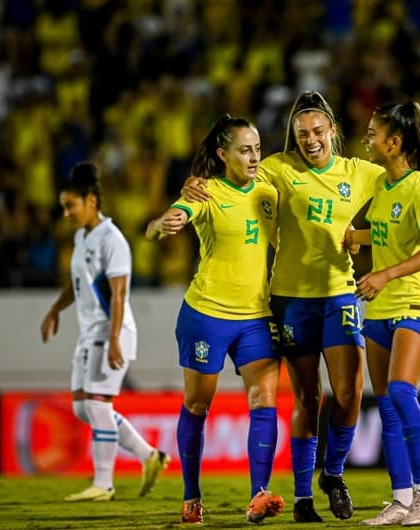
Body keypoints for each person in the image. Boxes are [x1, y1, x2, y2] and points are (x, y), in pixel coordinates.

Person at [182, 91, 420, 522]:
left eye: (317, 131)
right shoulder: (277, 168)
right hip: (291, 299)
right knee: (308, 398)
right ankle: (302, 499)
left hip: (340, 295)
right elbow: (236, 178)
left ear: (332, 130)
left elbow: (415, 182)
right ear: (294, 138)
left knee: (349, 394)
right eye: (302, 134)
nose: (310, 139)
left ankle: (332, 474)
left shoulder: (360, 172)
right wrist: (196, 183)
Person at [145, 115, 285, 525]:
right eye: (245, 149)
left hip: (257, 317)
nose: (254, 156)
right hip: (206, 316)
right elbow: (159, 226)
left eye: (258, 148)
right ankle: (191, 498)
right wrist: (162, 224)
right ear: (223, 155)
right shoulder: (204, 191)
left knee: (264, 400)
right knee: (198, 404)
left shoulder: (268, 192)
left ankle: (259, 495)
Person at [40, 162, 169, 502]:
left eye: (71, 206)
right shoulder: (82, 237)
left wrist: (114, 339)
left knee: (98, 405)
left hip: (111, 329)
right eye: (63, 206)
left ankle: (104, 483)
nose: (66, 213)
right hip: (89, 332)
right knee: (84, 408)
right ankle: (148, 456)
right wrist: (55, 309)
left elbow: (120, 292)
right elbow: (77, 284)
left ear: (91, 202)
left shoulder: (113, 240)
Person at [343, 102, 420, 526]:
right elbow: (386, 234)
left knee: (402, 392)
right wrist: (357, 237)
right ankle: (401, 500)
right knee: (385, 405)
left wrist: (383, 273)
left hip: (416, 302)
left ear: (395, 141)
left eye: (372, 133)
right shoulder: (382, 187)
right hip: (379, 307)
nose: (367, 139)